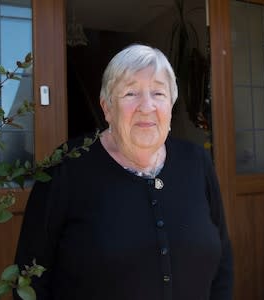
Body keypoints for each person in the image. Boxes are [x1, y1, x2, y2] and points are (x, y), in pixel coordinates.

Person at [14, 44, 233, 300]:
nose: (147, 106)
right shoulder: (66, 169)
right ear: (107, 107)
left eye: (158, 93)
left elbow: (223, 261)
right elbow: (29, 280)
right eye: (131, 93)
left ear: (171, 105)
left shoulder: (197, 162)